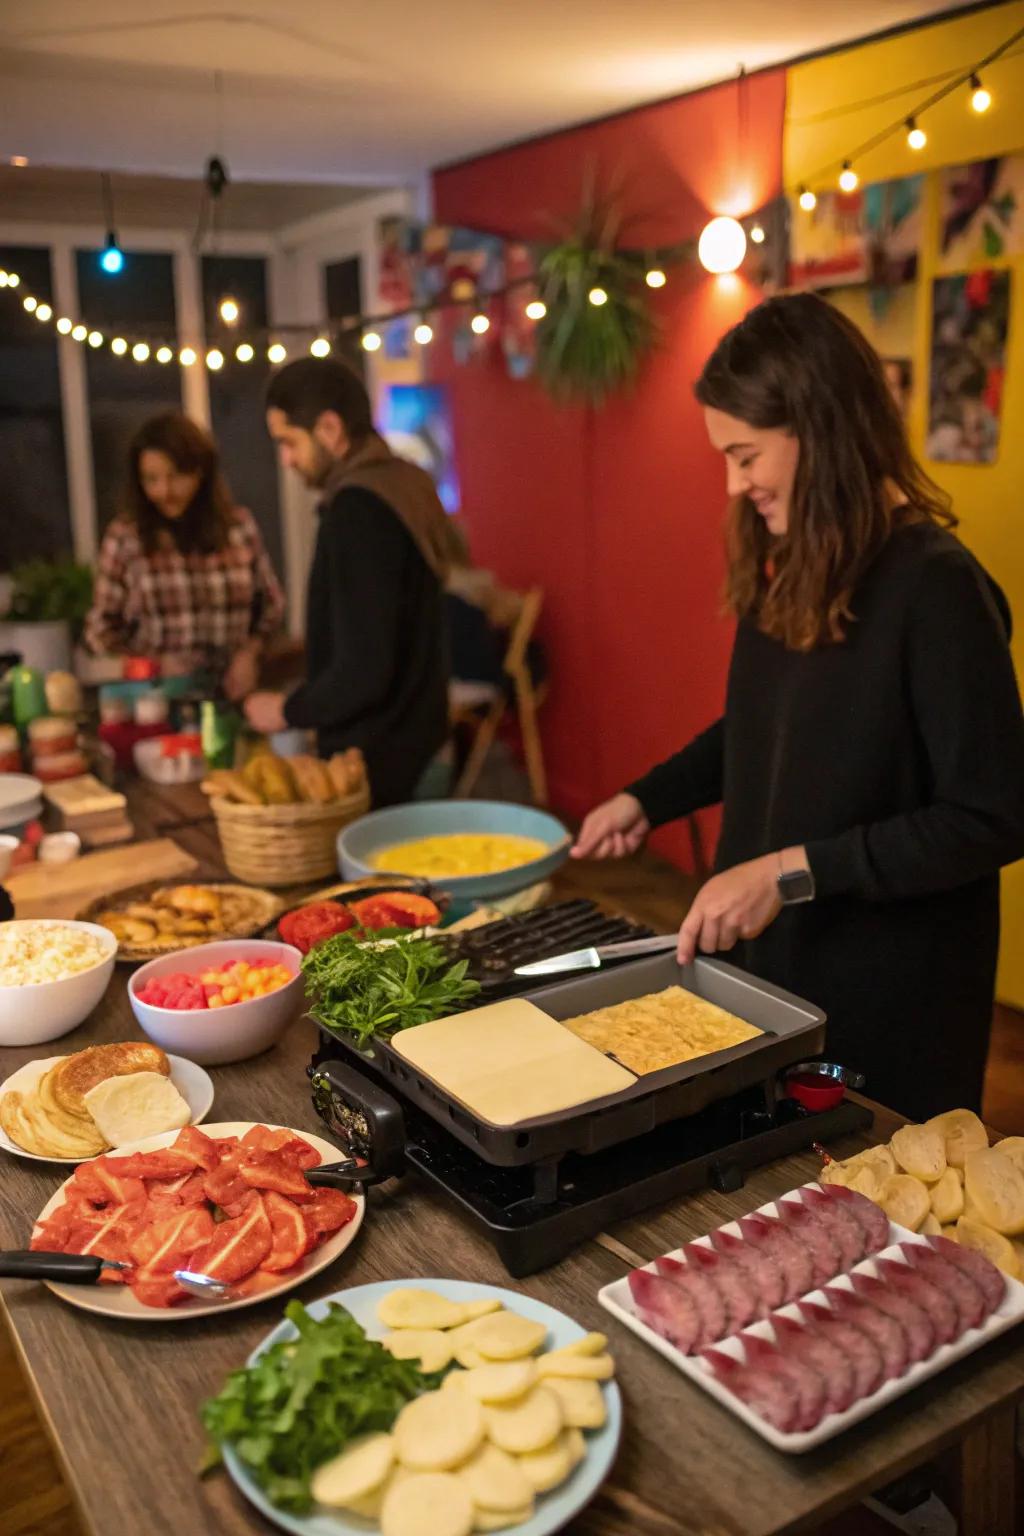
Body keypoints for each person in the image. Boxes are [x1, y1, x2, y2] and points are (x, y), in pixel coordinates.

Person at [573, 293, 1024, 1121]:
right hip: (776, 976)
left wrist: (791, 874)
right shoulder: (795, 560)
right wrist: (649, 797)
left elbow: (994, 816)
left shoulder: (937, 587)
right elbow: (762, 731)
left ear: (821, 429)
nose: (737, 485)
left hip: (894, 1007)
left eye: (746, 455)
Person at [246, 358, 449, 806]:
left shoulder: (358, 510)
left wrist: (285, 710)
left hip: (381, 761)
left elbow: (364, 669)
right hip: (421, 742)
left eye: (288, 442)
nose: (285, 459)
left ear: (331, 429)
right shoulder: (404, 484)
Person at [83, 412, 285, 700]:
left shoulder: (238, 527)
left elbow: (271, 605)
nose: (163, 491)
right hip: (157, 701)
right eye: (151, 479)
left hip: (233, 695)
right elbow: (100, 631)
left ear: (200, 472)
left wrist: (249, 654)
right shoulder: (126, 538)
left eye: (174, 477)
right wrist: (154, 665)